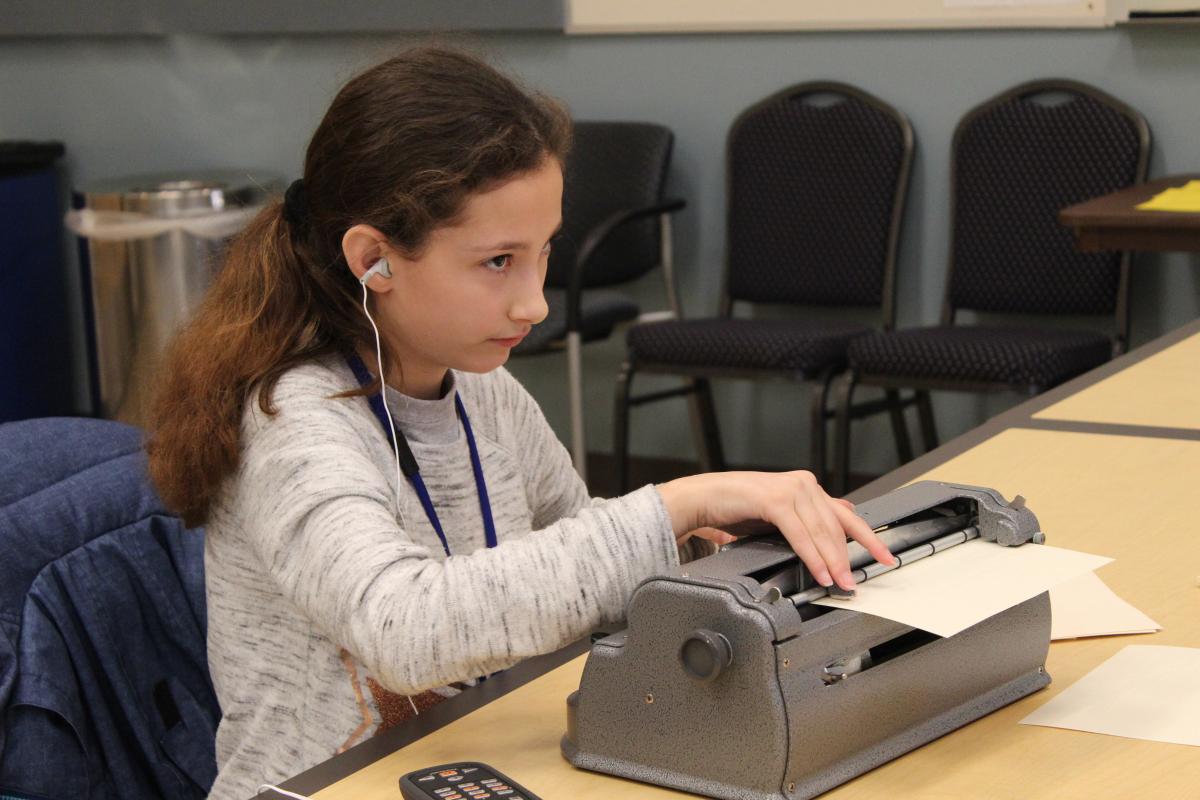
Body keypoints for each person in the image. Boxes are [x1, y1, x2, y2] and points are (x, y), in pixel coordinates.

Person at [147, 46, 894, 800]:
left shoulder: (482, 389)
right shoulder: (296, 421)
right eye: (499, 261)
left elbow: (577, 544)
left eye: (543, 254)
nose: (534, 304)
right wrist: (676, 505)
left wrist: (696, 546)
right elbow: (403, 630)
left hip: (471, 759)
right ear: (374, 259)